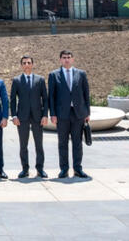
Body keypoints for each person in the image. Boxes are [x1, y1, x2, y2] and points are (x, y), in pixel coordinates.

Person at [49, 50, 91, 179]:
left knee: (77, 143)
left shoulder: (81, 74)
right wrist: (53, 114)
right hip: (62, 115)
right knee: (62, 143)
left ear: (73, 59)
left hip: (78, 113)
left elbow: (86, 94)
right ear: (60, 60)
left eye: (68, 57)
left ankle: (78, 169)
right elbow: (51, 96)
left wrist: (87, 112)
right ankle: (64, 169)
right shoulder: (54, 75)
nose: (66, 60)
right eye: (64, 57)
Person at [10, 56, 49, 179]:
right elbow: (12, 100)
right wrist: (14, 116)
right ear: (21, 65)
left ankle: (40, 169)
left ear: (32, 64)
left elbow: (45, 99)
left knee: (39, 144)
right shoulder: (16, 80)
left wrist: (45, 115)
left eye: (29, 62)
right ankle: (25, 169)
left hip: (38, 117)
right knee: (23, 145)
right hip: (22, 117)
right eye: (24, 63)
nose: (27, 65)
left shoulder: (40, 79)